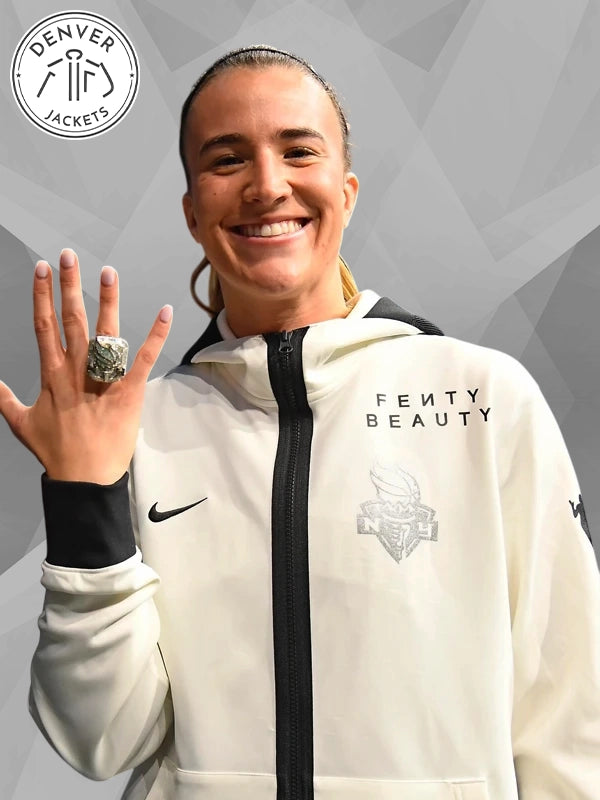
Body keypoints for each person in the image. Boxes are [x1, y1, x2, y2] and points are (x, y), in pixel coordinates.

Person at [0, 44, 598, 800]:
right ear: (192, 213)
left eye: (299, 151)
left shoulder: (482, 397)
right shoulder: (138, 429)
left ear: (346, 191)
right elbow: (100, 739)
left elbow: (572, 709)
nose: (267, 185)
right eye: (226, 160)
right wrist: (84, 495)